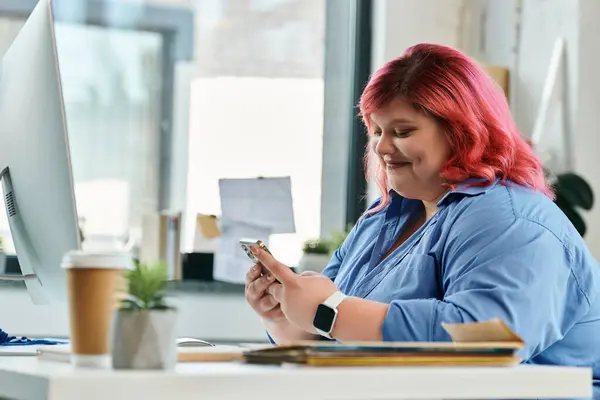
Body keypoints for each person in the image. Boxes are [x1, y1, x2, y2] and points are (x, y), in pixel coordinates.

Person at [244, 43, 600, 391]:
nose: (382, 147)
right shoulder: (385, 216)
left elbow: (486, 343)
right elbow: (333, 333)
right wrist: (285, 317)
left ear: (463, 133)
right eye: (378, 131)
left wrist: (330, 312)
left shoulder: (514, 222)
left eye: (402, 131)